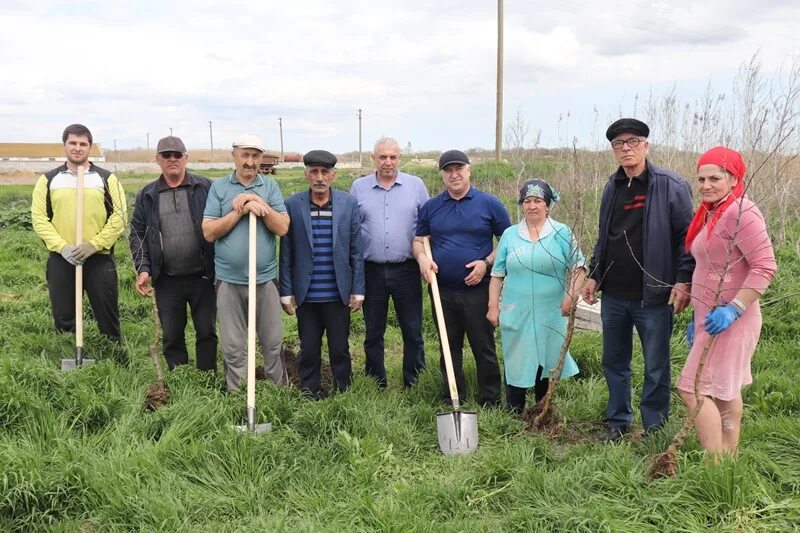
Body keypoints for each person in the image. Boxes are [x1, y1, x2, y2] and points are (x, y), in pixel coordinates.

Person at [582, 118, 695, 442]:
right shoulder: (612, 187)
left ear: (646, 145)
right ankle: (617, 422)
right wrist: (594, 276)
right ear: (613, 150)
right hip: (615, 294)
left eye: (632, 142)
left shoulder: (669, 185)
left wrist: (683, 279)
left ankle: (654, 427)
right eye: (619, 144)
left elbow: (686, 238)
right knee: (614, 362)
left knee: (656, 366)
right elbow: (606, 237)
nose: (626, 148)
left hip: (654, 296)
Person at [678, 146, 776, 455]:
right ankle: (729, 457)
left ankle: (715, 462)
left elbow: (765, 265)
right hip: (709, 318)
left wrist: (734, 309)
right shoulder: (712, 212)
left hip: (733, 320)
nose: (706, 185)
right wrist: (698, 320)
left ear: (734, 179)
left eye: (715, 178)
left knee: (691, 387)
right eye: (701, 179)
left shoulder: (741, 212)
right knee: (722, 390)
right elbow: (709, 268)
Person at [413, 149, 511, 407]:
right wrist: (423, 259)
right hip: (441, 291)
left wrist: (486, 263)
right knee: (449, 347)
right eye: (448, 170)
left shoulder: (489, 204)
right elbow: (418, 241)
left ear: (469, 170)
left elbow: (507, 241)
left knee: (483, 346)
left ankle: (490, 398)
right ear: (442, 175)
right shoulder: (431, 207)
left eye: (459, 169)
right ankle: (453, 396)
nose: (454, 174)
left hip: (479, 291)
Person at [487, 179, 585, 413]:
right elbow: (497, 274)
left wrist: (571, 297)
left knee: (548, 359)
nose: (532, 206)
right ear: (522, 205)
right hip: (516, 310)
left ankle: (542, 411)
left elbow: (578, 267)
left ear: (548, 205)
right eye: (527, 201)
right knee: (517, 360)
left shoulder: (561, 232)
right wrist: (493, 306)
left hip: (551, 311)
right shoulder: (510, 235)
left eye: (538, 201)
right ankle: (514, 413)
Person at [202, 134, 290, 391]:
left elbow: (282, 227)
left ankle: (278, 394)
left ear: (261, 159)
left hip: (265, 280)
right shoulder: (219, 188)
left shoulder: (270, 187)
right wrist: (239, 210)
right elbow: (208, 232)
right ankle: (238, 395)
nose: (250, 161)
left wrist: (259, 202)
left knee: (273, 342)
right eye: (245, 155)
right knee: (233, 344)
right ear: (234, 156)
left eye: (255, 156)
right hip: (229, 280)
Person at [280, 150, 365, 399]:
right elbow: (286, 253)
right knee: (309, 348)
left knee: (340, 348)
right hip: (307, 294)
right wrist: (286, 292)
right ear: (306, 175)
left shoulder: (348, 204)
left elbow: (356, 251)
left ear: (333, 176)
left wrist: (358, 289)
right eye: (314, 172)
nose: (319, 177)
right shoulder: (293, 205)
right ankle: (310, 390)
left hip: (338, 293)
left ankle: (343, 391)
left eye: (324, 172)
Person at [31, 123, 127, 343]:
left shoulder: (106, 178)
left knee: (107, 310)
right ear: (64, 145)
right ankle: (68, 353)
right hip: (62, 259)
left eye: (83, 144)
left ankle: (112, 353)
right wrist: (62, 247)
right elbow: (39, 219)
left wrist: (94, 245)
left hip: (99, 258)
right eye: (72, 143)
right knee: (64, 313)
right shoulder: (48, 180)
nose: (77, 148)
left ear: (89, 147)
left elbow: (119, 216)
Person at [129, 136, 217, 372]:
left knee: (207, 331)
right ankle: (180, 378)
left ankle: (207, 377)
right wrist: (143, 268)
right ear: (157, 159)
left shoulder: (205, 187)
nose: (172, 159)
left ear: (186, 158)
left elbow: (220, 225)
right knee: (172, 334)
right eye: (166, 155)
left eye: (177, 155)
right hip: (166, 279)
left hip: (204, 276)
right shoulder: (147, 195)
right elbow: (137, 233)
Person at [350, 137, 429, 389]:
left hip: (406, 268)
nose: (387, 162)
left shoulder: (416, 186)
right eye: (382, 157)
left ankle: (415, 380)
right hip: (371, 269)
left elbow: (427, 226)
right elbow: (352, 229)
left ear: (399, 159)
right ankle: (375, 381)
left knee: (412, 330)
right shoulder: (358, 187)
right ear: (373, 158)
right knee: (373, 331)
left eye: (392, 157)